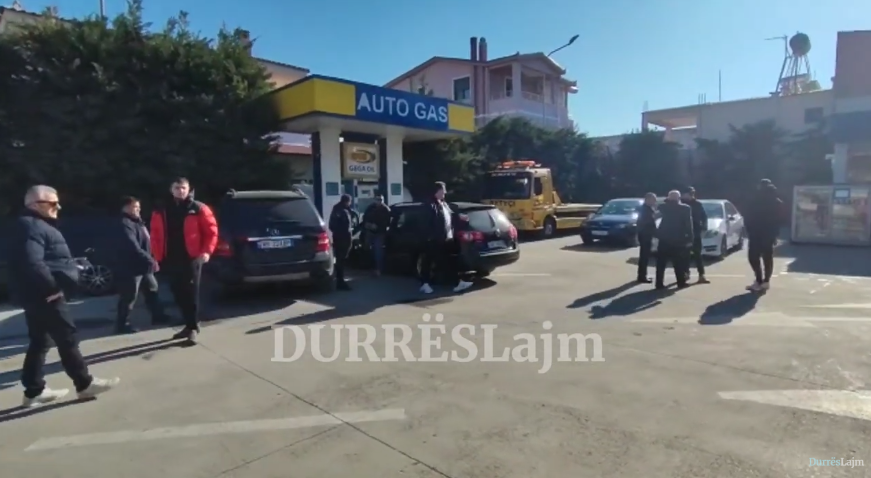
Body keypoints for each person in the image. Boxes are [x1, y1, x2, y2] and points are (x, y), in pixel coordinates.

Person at [8, 185, 119, 407]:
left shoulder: (34, 225)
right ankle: (84, 383)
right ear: (34, 205)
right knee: (67, 337)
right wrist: (52, 288)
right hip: (45, 295)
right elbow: (33, 262)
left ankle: (33, 391)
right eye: (52, 203)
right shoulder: (31, 226)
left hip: (36, 295)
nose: (58, 206)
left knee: (40, 341)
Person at [149, 178, 218, 343]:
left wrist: (207, 252)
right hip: (169, 257)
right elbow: (155, 235)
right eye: (177, 188)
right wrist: (156, 256)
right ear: (171, 189)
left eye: (183, 188)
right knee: (177, 292)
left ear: (189, 189)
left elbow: (211, 232)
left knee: (191, 293)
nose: (181, 191)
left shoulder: (198, 208)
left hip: (192, 258)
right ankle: (189, 324)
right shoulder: (162, 209)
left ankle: (193, 327)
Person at [114, 196, 168, 334]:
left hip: (144, 265)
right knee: (129, 295)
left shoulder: (137, 222)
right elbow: (132, 246)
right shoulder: (124, 223)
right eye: (134, 207)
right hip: (131, 266)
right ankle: (122, 324)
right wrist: (150, 259)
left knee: (152, 289)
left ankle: (158, 316)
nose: (137, 209)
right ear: (125, 207)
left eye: (138, 207)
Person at [419, 181, 473, 294]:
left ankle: (457, 282)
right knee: (429, 261)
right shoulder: (430, 205)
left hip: (446, 238)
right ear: (437, 191)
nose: (445, 192)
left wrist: (460, 217)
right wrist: (430, 237)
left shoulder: (443, 203)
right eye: (443, 190)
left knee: (448, 261)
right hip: (435, 239)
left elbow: (451, 215)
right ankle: (425, 284)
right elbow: (426, 222)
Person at [745, 179, 783, 292]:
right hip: (768, 233)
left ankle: (759, 280)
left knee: (753, 257)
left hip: (756, 232)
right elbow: (779, 220)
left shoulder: (755, 199)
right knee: (767, 257)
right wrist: (776, 234)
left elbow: (749, 216)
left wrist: (749, 230)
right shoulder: (777, 201)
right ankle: (765, 281)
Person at [654, 190, 694, 290]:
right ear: (679, 198)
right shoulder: (685, 208)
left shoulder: (663, 207)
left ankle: (659, 283)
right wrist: (690, 238)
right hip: (679, 238)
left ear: (669, 198)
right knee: (678, 263)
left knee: (661, 263)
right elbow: (688, 224)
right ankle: (681, 282)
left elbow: (658, 211)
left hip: (664, 238)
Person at [681, 187, 709, 284]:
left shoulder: (697, 204)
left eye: (692, 193)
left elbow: (704, 217)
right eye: (689, 193)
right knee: (685, 255)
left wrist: (704, 228)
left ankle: (701, 275)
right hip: (684, 233)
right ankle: (685, 274)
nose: (691, 195)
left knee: (698, 255)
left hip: (696, 232)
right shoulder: (680, 204)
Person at [329, 194, 354, 291]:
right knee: (341, 260)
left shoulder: (340, 209)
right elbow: (342, 226)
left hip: (340, 237)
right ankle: (340, 281)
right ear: (347, 201)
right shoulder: (341, 211)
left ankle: (340, 280)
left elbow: (332, 226)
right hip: (342, 238)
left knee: (341, 260)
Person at [362, 194, 391, 276]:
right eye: (377, 199)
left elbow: (387, 223)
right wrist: (368, 224)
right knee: (367, 249)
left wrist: (378, 227)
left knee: (378, 251)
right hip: (369, 232)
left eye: (381, 199)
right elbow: (365, 218)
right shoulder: (370, 208)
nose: (379, 201)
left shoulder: (386, 209)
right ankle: (369, 267)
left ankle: (378, 269)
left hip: (380, 233)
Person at [636, 193, 658, 283]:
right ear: (647, 199)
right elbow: (648, 223)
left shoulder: (648, 208)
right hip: (645, 235)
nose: (655, 201)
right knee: (644, 257)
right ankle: (642, 276)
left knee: (645, 256)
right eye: (653, 199)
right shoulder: (645, 209)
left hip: (645, 234)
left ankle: (642, 275)